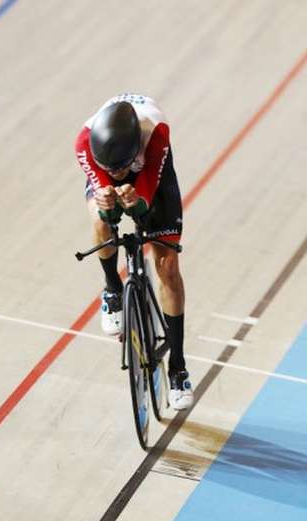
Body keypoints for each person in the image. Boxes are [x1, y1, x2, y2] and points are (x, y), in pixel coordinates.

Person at [74, 93, 193, 410]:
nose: (115, 175)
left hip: (150, 176)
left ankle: (178, 366)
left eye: (120, 169)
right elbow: (105, 199)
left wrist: (136, 200)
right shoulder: (84, 142)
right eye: (109, 169)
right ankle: (112, 289)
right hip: (114, 170)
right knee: (100, 220)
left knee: (167, 266)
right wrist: (108, 205)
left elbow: (148, 193)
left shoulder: (155, 133)